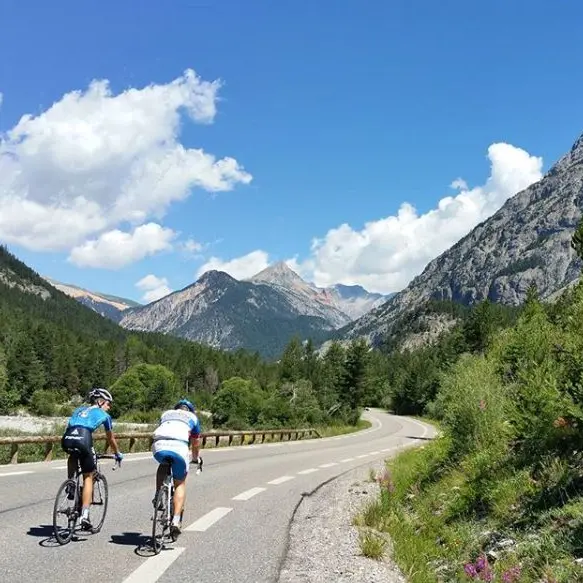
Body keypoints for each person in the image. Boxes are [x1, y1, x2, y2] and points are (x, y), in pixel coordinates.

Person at [61, 387, 123, 530]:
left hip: (67, 438)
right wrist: (118, 453)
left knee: (73, 454)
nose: (109, 406)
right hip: (84, 438)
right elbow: (110, 438)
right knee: (88, 476)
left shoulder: (79, 410)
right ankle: (85, 514)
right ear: (100, 402)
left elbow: (70, 426)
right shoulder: (104, 415)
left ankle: (71, 483)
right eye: (108, 403)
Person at [152, 398, 202, 539]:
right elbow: (195, 443)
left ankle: (158, 495)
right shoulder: (193, 417)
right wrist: (195, 458)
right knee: (180, 483)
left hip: (158, 445)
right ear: (190, 410)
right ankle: (175, 520)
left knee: (164, 464)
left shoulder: (166, 413)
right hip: (179, 446)